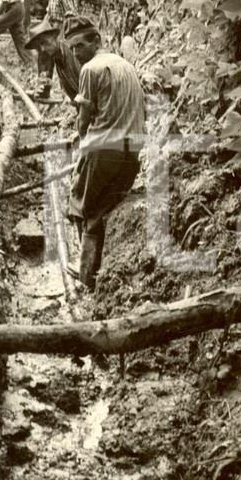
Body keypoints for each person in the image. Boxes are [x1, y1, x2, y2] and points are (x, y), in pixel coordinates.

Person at [63, 15, 145, 292]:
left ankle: (85, 272)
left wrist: (83, 146)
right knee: (102, 205)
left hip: (105, 149)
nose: (76, 53)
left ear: (96, 41)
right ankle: (94, 274)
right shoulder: (126, 65)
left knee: (79, 202)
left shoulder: (90, 69)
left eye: (80, 45)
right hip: (132, 152)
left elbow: (84, 121)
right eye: (72, 48)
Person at [34, 0, 79, 98]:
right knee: (44, 54)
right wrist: (42, 27)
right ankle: (44, 88)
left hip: (63, 29)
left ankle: (73, 93)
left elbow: (72, 16)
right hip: (53, 28)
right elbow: (49, 12)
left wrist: (64, 36)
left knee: (63, 63)